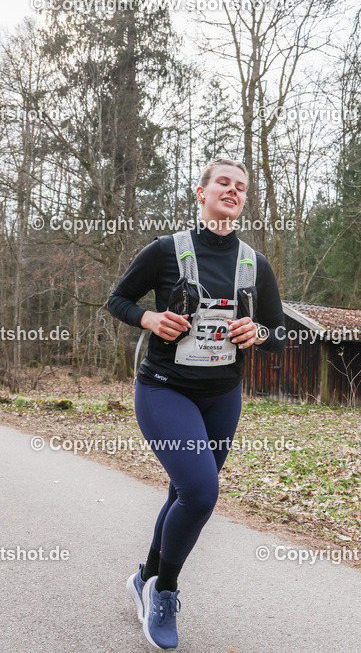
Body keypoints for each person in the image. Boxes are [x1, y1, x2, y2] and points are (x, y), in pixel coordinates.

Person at [108, 158, 284, 650]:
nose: (232, 191)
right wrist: (149, 319)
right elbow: (118, 300)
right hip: (165, 389)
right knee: (201, 493)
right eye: (223, 182)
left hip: (222, 397)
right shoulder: (166, 250)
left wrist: (258, 332)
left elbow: (279, 333)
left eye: (240, 187)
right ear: (201, 192)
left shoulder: (255, 263)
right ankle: (163, 590)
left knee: (182, 493)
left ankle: (144, 576)